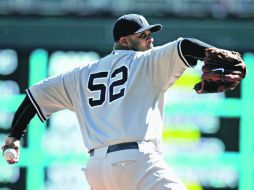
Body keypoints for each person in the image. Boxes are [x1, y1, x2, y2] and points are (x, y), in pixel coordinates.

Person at [2, 14, 218, 190]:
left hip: (98, 170)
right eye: (143, 35)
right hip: (137, 163)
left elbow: (33, 97)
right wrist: (222, 54)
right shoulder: (145, 61)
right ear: (124, 41)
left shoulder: (80, 74)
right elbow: (186, 45)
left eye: (150, 34)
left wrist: (14, 137)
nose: (150, 39)